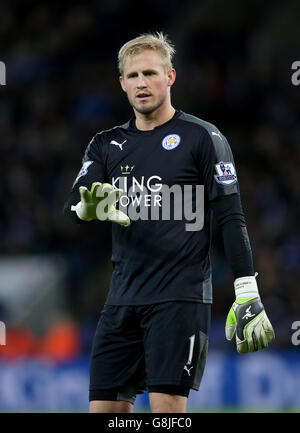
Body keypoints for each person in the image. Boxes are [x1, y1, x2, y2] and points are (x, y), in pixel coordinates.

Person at [63, 32, 275, 413]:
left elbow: (230, 215)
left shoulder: (203, 137)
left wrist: (247, 289)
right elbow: (73, 206)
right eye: (133, 76)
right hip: (121, 300)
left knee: (166, 412)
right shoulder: (105, 145)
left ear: (170, 77)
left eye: (150, 73)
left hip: (180, 299)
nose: (141, 83)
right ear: (122, 84)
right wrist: (88, 208)